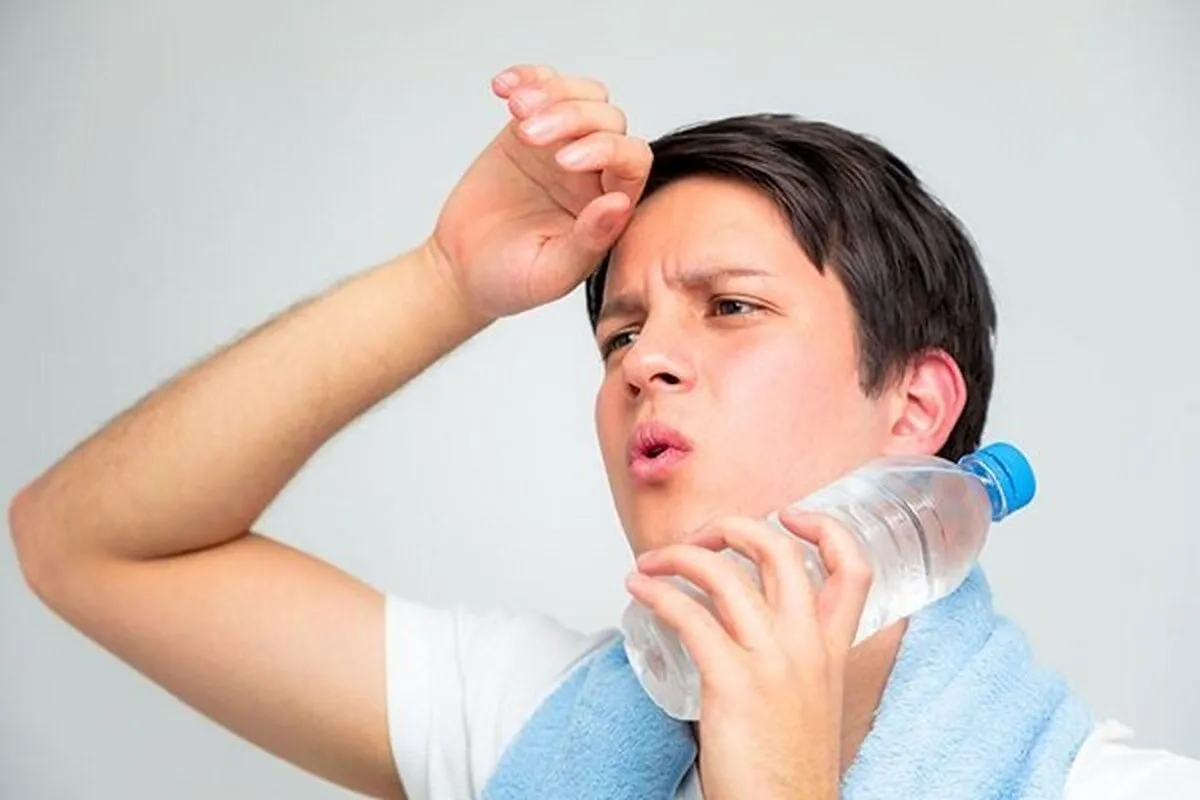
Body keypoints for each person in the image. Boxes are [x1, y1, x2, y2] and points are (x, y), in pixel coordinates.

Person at [9, 63, 1199, 799]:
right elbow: (89, 544)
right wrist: (443, 279)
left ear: (918, 408)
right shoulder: (539, 724)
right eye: (619, 333)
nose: (643, 361)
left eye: (730, 307)